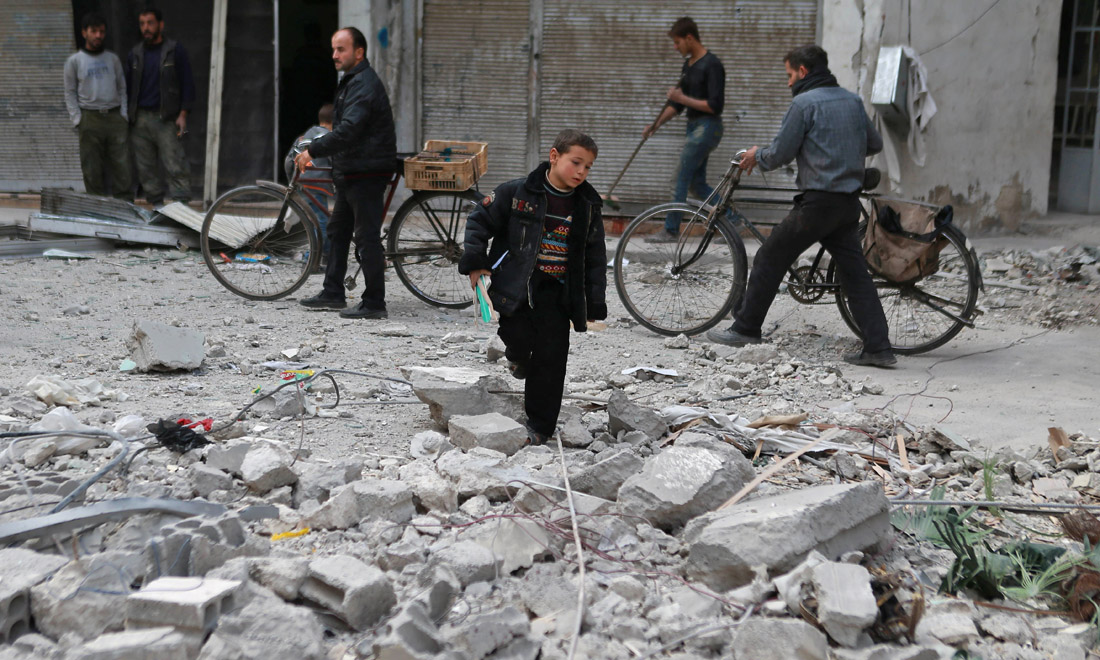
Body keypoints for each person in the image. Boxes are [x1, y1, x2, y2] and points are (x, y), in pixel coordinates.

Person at [706, 45, 896, 368]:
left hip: (817, 204)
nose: (788, 82)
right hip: (847, 203)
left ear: (803, 72)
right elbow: (874, 143)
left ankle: (746, 328)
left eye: (790, 74)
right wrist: (841, 148)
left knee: (770, 256)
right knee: (854, 275)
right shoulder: (852, 101)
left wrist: (756, 156)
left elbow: (780, 153)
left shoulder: (804, 104)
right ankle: (878, 347)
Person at [459, 129, 608, 444]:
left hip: (559, 291)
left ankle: (540, 427)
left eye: (588, 166)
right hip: (516, 285)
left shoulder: (588, 205)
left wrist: (594, 301)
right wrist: (476, 263)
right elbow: (478, 221)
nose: (581, 171)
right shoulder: (516, 193)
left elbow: (595, 255)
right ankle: (517, 356)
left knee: (552, 357)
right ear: (554, 156)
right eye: (576, 162)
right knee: (517, 335)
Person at [295, 27, 397, 320]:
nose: (334, 55)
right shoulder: (353, 80)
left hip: (366, 172)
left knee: (366, 238)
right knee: (338, 231)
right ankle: (332, 292)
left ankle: (374, 303)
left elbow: (349, 130)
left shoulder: (364, 84)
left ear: (359, 52)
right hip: (352, 171)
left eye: (341, 49)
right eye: (334, 49)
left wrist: (314, 150)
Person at [642, 17, 726, 242]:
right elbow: (677, 105)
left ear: (690, 38)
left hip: (708, 127)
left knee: (679, 178)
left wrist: (682, 98)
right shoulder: (688, 66)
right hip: (694, 127)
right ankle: (732, 219)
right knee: (696, 184)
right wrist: (656, 125)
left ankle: (671, 230)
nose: (675, 47)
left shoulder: (712, 65)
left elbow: (715, 105)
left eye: (677, 42)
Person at [126, 7, 196, 205]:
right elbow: (127, 87)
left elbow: (187, 83)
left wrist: (183, 114)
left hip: (166, 117)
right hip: (140, 119)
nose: (146, 28)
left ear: (160, 25)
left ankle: (181, 209)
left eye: (150, 23)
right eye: (142, 24)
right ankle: (157, 207)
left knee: (175, 165)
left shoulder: (174, 51)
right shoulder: (135, 54)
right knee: (146, 168)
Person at [64, 13, 132, 200]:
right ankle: (96, 208)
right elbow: (70, 92)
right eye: (93, 31)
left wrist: (123, 114)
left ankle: (126, 206)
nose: (98, 35)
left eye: (101, 31)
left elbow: (122, 88)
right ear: (84, 33)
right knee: (92, 168)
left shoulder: (112, 59)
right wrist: (77, 119)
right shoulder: (74, 61)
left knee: (123, 167)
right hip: (89, 118)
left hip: (114, 117)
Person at [284, 103, 335, 259]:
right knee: (322, 222)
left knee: (316, 220)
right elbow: (336, 162)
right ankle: (314, 257)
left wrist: (292, 181)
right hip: (317, 185)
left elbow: (288, 161)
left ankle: (323, 254)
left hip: (302, 184)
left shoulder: (303, 137)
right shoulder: (329, 138)